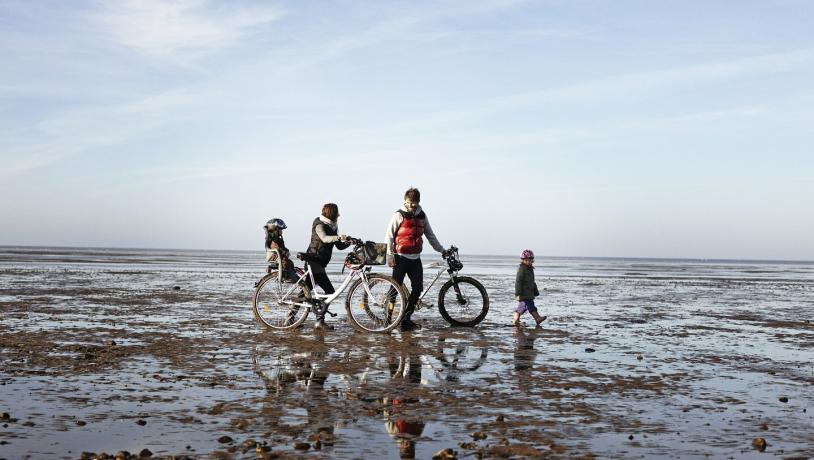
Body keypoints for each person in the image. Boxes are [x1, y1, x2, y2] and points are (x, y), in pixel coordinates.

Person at [385, 187, 446, 331]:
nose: (410, 206)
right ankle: (387, 319)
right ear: (404, 201)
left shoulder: (422, 216)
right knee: (394, 289)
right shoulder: (398, 215)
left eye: (413, 203)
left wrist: (442, 250)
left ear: (418, 202)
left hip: (415, 259)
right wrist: (389, 255)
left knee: (418, 289)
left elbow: (430, 236)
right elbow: (389, 236)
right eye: (407, 202)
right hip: (400, 257)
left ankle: (406, 318)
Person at [306, 203, 351, 329]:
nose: (339, 215)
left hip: (320, 263)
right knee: (329, 291)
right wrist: (338, 237)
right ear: (332, 214)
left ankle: (315, 320)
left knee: (305, 292)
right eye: (337, 213)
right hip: (313, 262)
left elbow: (339, 245)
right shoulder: (319, 224)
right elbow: (325, 238)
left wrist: (349, 242)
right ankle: (318, 321)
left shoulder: (333, 226)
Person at [513, 249, 547, 327]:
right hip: (523, 293)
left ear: (532, 260)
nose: (528, 262)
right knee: (531, 306)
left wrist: (535, 291)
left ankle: (516, 319)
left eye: (530, 260)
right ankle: (537, 318)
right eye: (526, 260)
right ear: (523, 260)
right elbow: (518, 281)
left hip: (529, 293)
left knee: (523, 308)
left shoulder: (530, 270)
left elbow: (532, 282)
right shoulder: (522, 269)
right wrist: (518, 292)